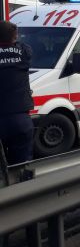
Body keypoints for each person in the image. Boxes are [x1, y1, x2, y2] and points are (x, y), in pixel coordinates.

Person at [0, 20, 34, 164]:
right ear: (15, 37)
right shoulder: (24, 51)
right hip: (20, 118)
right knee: (22, 164)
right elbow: (27, 49)